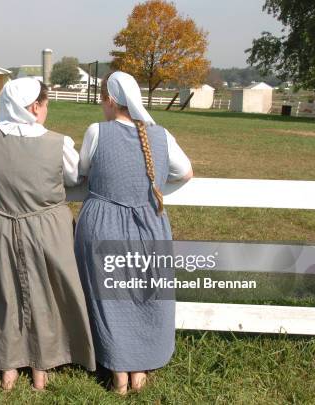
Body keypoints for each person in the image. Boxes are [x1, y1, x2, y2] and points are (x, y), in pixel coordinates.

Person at [0, 78, 96, 391]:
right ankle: (41, 366)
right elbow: (72, 174)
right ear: (36, 106)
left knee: (3, 295)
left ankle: (8, 366)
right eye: (46, 103)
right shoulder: (57, 143)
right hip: (44, 230)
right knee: (45, 296)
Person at [74, 72, 193, 395]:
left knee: (107, 297)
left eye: (102, 99)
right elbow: (185, 171)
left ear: (110, 101)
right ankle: (139, 370)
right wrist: (153, 186)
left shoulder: (96, 131)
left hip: (102, 221)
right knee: (144, 294)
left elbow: (81, 171)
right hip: (148, 222)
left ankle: (118, 373)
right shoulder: (160, 134)